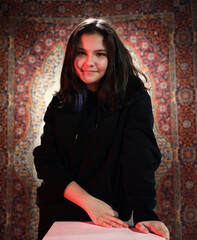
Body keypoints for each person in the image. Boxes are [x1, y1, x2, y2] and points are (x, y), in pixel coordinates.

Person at [33, 18, 170, 240]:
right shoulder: (60, 103)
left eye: (100, 54)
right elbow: (46, 160)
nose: (89, 62)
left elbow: (139, 157)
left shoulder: (133, 98)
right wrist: (88, 202)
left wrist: (144, 212)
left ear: (113, 58)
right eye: (81, 53)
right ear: (71, 56)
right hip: (59, 213)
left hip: (109, 216)